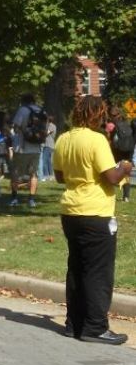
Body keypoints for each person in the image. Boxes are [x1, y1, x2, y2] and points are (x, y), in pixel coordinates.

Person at [53, 96, 132, 344]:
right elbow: (111, 176)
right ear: (97, 114)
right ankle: (96, 327)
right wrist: (125, 169)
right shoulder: (96, 140)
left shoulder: (64, 138)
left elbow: (58, 177)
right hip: (95, 212)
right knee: (98, 271)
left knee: (76, 268)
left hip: (71, 211)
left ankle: (73, 324)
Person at [10, 94, 44, 208]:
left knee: (16, 173)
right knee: (33, 174)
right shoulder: (41, 110)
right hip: (36, 147)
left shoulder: (22, 110)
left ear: (23, 101)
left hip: (21, 147)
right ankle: (31, 199)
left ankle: (14, 198)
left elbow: (16, 126)